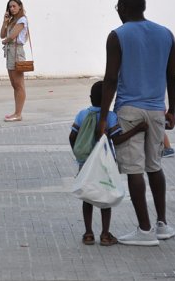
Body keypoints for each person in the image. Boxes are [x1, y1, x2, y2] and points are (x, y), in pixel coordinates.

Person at [98, 0, 175, 246]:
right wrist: (172, 110)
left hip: (129, 110)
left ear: (122, 7)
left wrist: (102, 118)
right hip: (157, 110)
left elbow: (110, 79)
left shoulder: (117, 36)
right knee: (154, 166)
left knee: (134, 170)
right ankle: (162, 224)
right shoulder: (166, 34)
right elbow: (173, 77)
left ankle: (144, 231)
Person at [69, 80, 148, 247]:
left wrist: (79, 154)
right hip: (105, 165)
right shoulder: (110, 117)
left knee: (87, 196)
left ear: (90, 97)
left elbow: (72, 136)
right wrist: (137, 129)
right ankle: (105, 234)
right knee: (106, 196)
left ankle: (88, 233)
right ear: (109, 100)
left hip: (86, 163)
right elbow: (117, 139)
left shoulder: (82, 114)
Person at [0, 0, 29, 122]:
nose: (12, 9)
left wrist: (5, 40)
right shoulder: (12, 20)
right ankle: (16, 113)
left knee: (19, 85)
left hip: (17, 51)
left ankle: (18, 114)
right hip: (10, 51)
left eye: (14, 6)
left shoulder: (22, 19)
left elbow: (12, 36)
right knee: (14, 84)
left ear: (20, 6)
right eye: (10, 7)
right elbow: (2, 34)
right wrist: (5, 21)